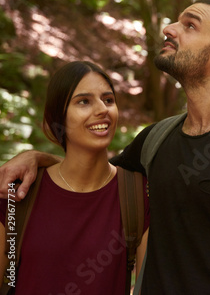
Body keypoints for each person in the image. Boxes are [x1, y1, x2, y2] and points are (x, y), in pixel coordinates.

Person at [0, 0, 210, 294]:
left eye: (190, 25)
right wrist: (37, 157)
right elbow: (93, 179)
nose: (169, 29)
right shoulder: (153, 143)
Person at [0, 61, 149, 294]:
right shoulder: (18, 193)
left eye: (108, 100)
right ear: (58, 117)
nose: (102, 109)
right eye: (84, 101)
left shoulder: (138, 195)